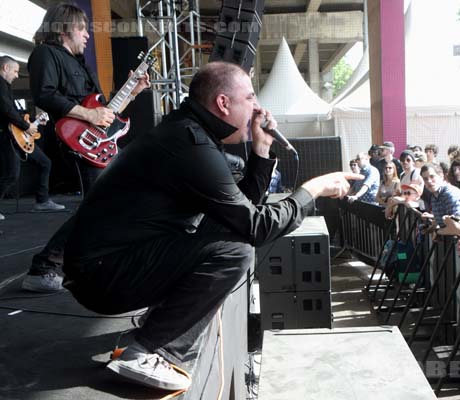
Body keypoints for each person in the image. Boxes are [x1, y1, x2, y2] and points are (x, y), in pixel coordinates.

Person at [61, 61, 361, 390]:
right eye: (250, 98)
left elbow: (238, 218)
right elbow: (254, 229)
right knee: (236, 253)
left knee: (230, 239)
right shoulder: (190, 144)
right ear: (223, 103)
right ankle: (148, 350)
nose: (258, 108)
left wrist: (261, 150)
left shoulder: (188, 132)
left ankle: (153, 330)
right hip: (102, 276)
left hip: (110, 264)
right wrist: (314, 189)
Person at [21, 4, 150, 292]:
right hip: (73, 140)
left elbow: (105, 113)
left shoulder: (80, 63)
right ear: (64, 28)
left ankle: (84, 262)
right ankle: (44, 266)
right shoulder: (46, 54)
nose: (87, 35)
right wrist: (90, 115)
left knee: (106, 204)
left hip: (95, 140)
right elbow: (45, 94)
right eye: (82, 28)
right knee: (98, 206)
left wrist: (133, 91)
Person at [0, 55, 65, 219]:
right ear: (5, 68)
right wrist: (27, 126)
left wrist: (33, 122)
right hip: (8, 137)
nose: (16, 75)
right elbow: (6, 110)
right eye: (15, 71)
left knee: (45, 163)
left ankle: (42, 201)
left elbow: (14, 112)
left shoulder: (6, 87)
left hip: (19, 136)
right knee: (10, 175)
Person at [420, 162, 460, 227]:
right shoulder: (434, 195)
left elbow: (457, 225)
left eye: (432, 176)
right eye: (425, 179)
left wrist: (439, 232)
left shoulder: (450, 194)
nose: (429, 181)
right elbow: (442, 221)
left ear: (441, 176)